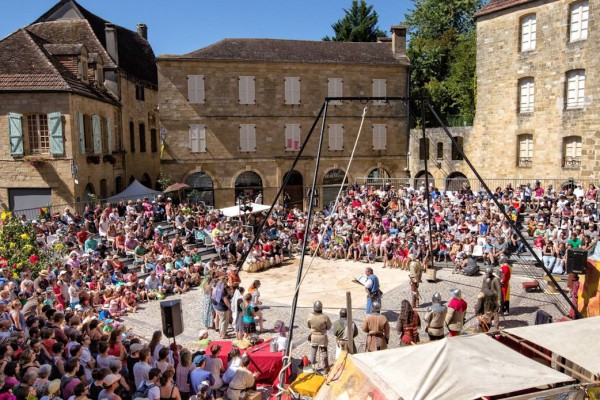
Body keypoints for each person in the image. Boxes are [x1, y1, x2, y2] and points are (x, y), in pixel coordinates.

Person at [306, 300, 331, 372]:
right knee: (324, 352)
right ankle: (326, 368)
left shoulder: (310, 316)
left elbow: (308, 325)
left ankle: (312, 367)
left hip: (314, 336)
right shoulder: (325, 317)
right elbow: (329, 327)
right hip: (322, 336)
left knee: (313, 352)